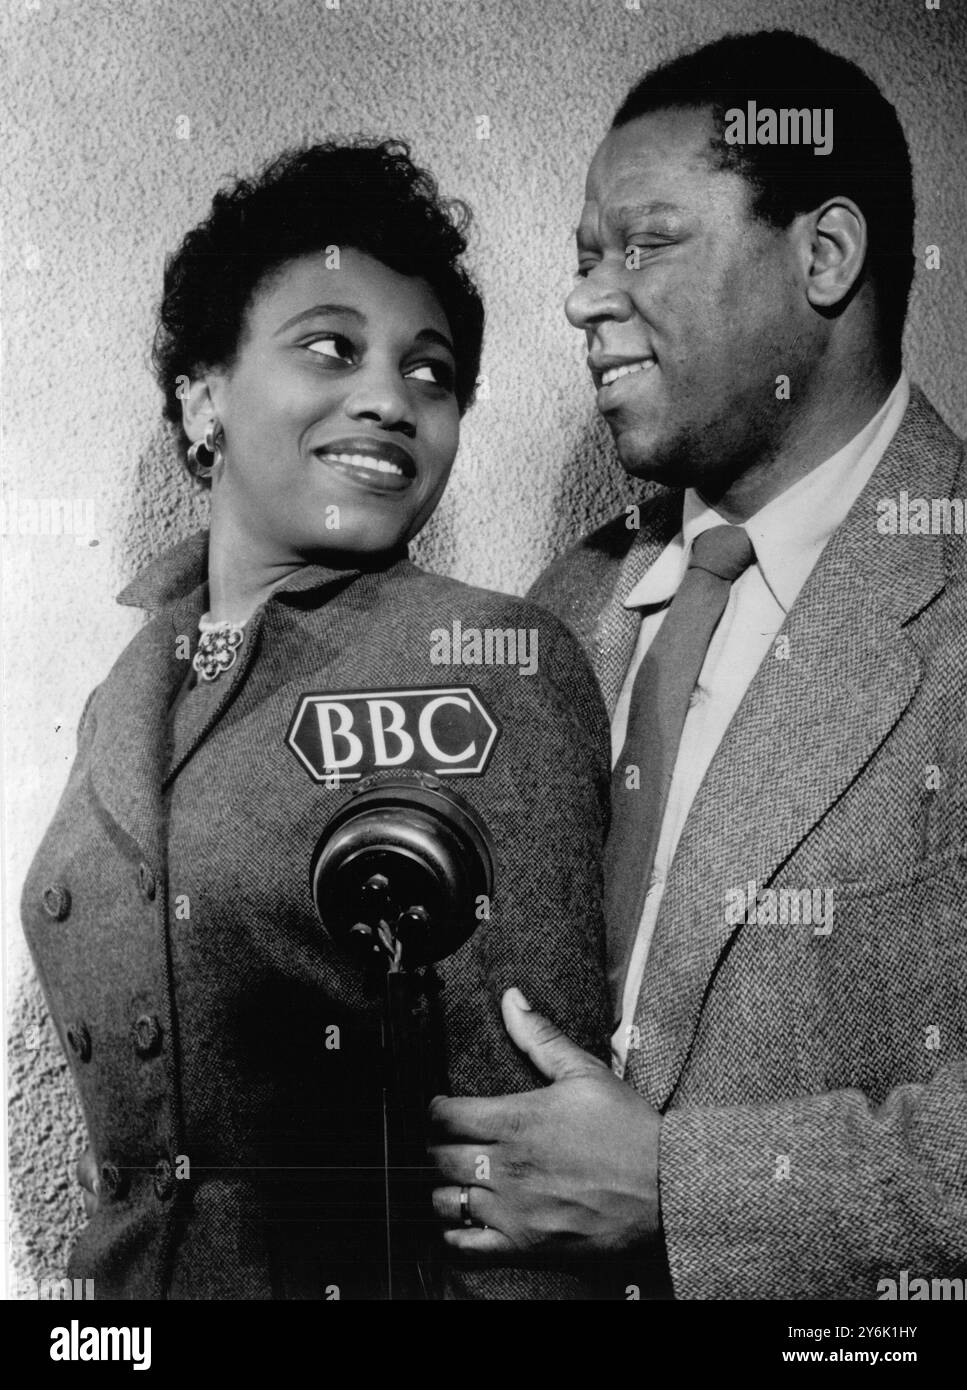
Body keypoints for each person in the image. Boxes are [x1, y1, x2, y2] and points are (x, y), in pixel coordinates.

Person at [22, 138, 612, 1300]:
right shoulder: (129, 690)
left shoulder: (479, 662)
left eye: (432, 373)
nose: (391, 399)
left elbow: (534, 1189)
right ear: (204, 397)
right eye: (331, 348)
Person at [429, 31, 967, 1299]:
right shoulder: (566, 604)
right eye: (580, 257)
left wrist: (679, 1187)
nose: (580, 299)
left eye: (645, 244)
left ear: (824, 255)